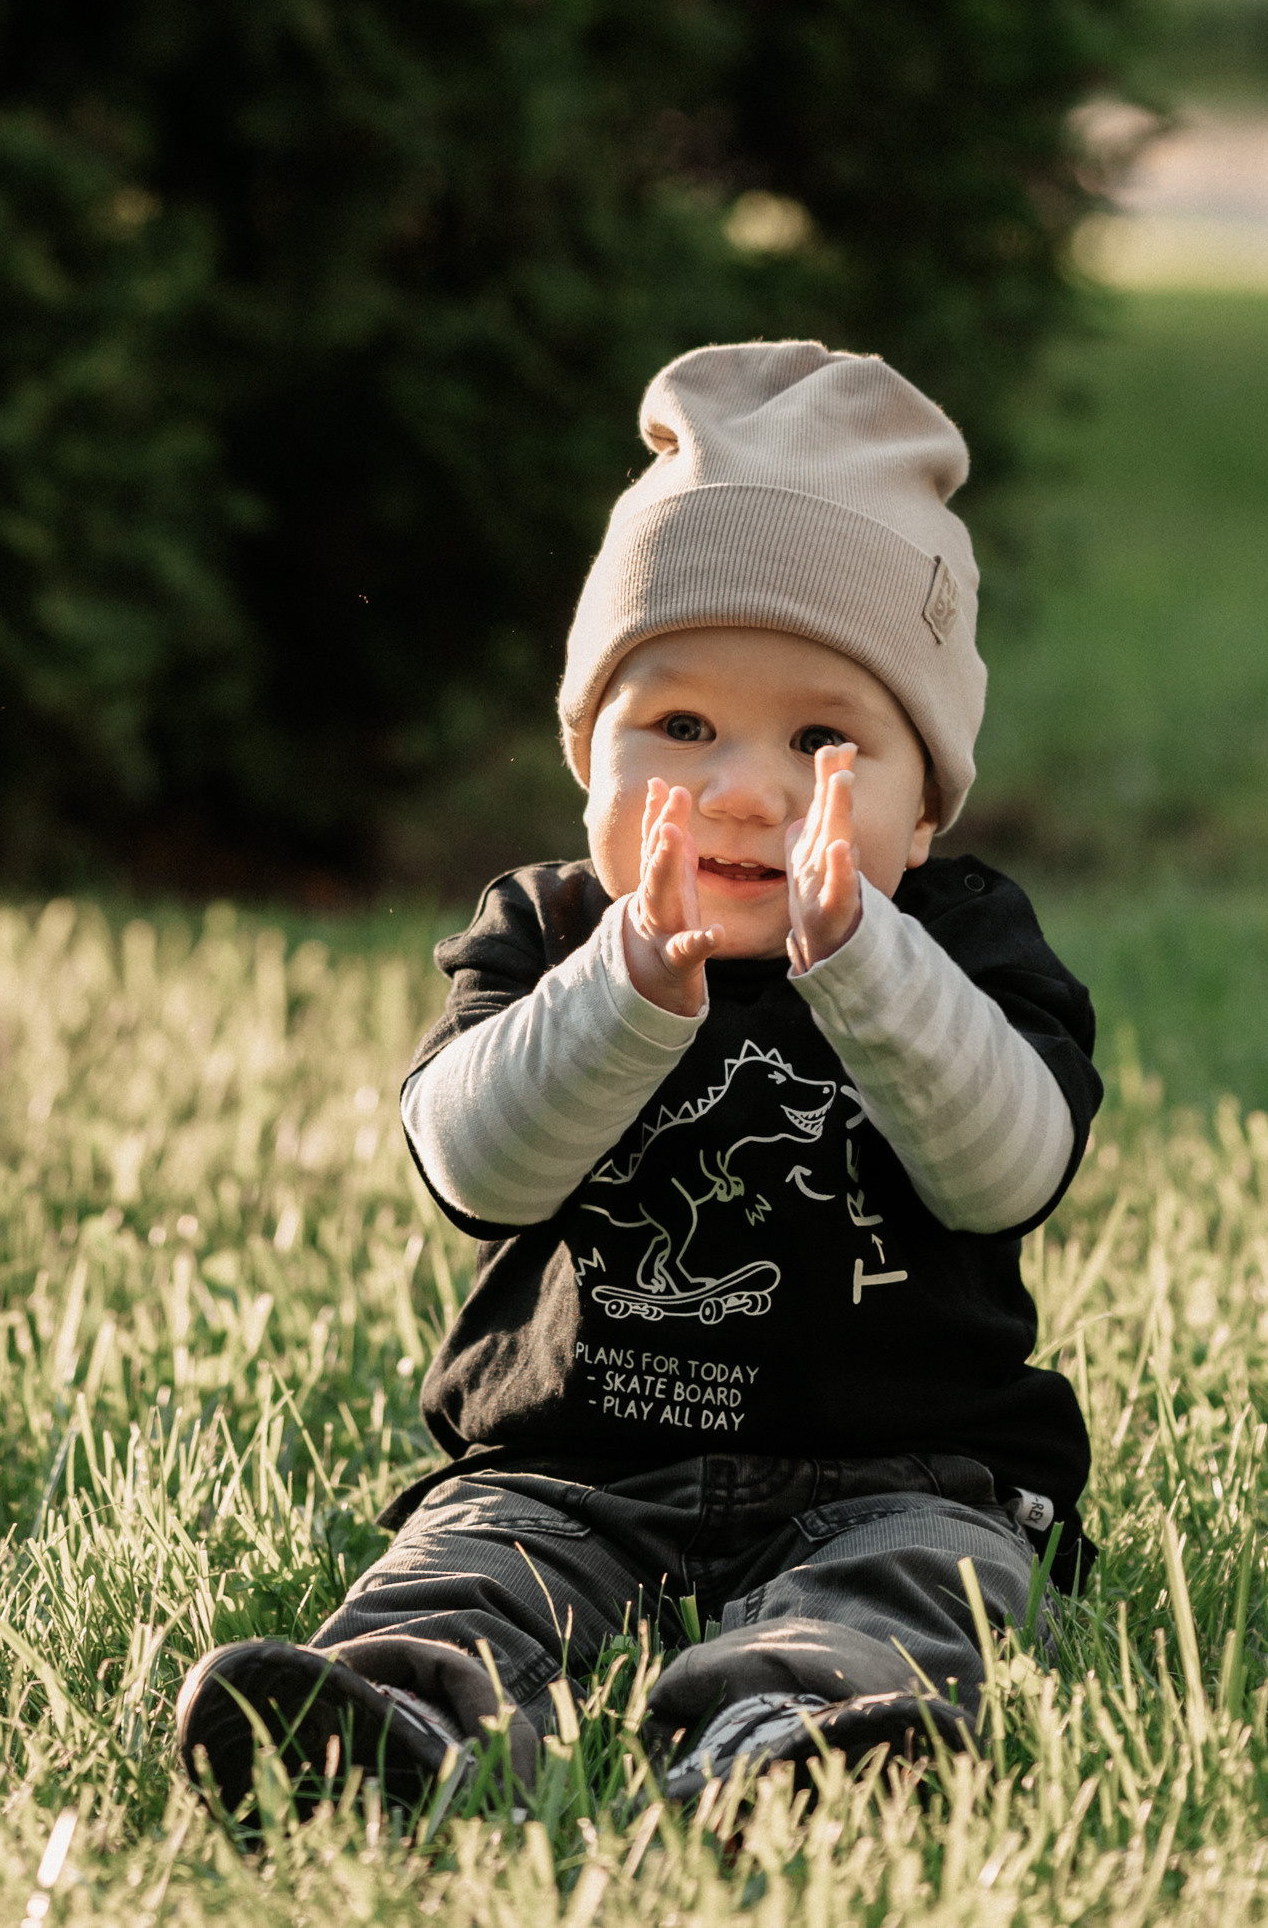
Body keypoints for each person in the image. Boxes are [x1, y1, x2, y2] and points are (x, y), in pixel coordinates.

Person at [174, 340, 1099, 1821]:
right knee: (463, 1572)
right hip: (571, 1461)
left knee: (926, 1589)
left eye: (822, 738)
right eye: (679, 727)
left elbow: (1006, 1169)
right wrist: (621, 992)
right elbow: (476, 1169)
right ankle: (387, 1729)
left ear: (920, 807)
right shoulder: (544, 937)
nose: (743, 786)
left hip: (903, 1466)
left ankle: (801, 1743)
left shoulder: (960, 942)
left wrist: (863, 966)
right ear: (585, 763)